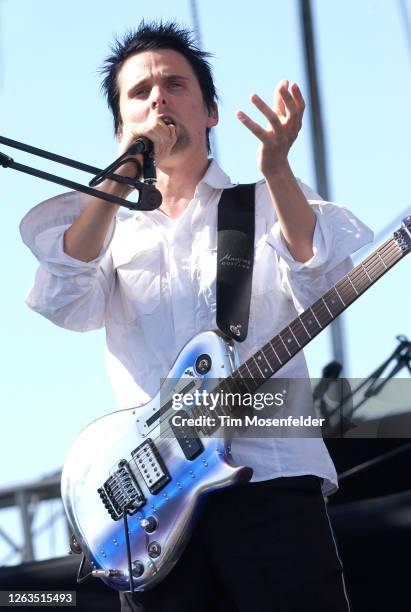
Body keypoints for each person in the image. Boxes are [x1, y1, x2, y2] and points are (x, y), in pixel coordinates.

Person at [20, 21, 373, 612]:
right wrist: (126, 171)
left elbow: (320, 280)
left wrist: (279, 169)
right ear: (120, 126)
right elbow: (65, 299)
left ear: (209, 111)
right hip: (154, 513)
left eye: (174, 85)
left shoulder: (262, 204)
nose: (158, 97)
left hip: (269, 481)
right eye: (139, 93)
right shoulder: (115, 234)